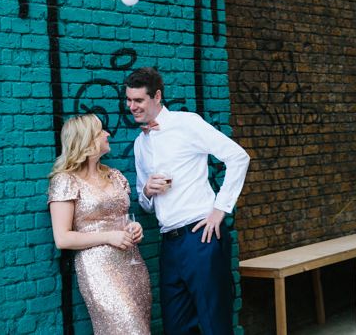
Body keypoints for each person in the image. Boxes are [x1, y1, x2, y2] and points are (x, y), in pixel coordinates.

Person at [126, 67, 250, 335]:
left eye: (138, 100)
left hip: (201, 237)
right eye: (129, 100)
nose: (132, 106)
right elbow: (145, 204)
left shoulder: (187, 123)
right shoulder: (140, 143)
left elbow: (238, 157)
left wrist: (220, 210)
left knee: (215, 323)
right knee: (177, 328)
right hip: (168, 245)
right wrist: (147, 191)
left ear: (157, 96)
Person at [47, 114, 151, 335]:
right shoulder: (66, 180)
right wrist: (108, 236)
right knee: (131, 329)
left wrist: (134, 229)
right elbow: (62, 238)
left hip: (132, 264)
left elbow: (122, 218)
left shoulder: (115, 176)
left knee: (140, 326)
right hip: (99, 269)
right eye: (101, 131)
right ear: (86, 140)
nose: (108, 134)